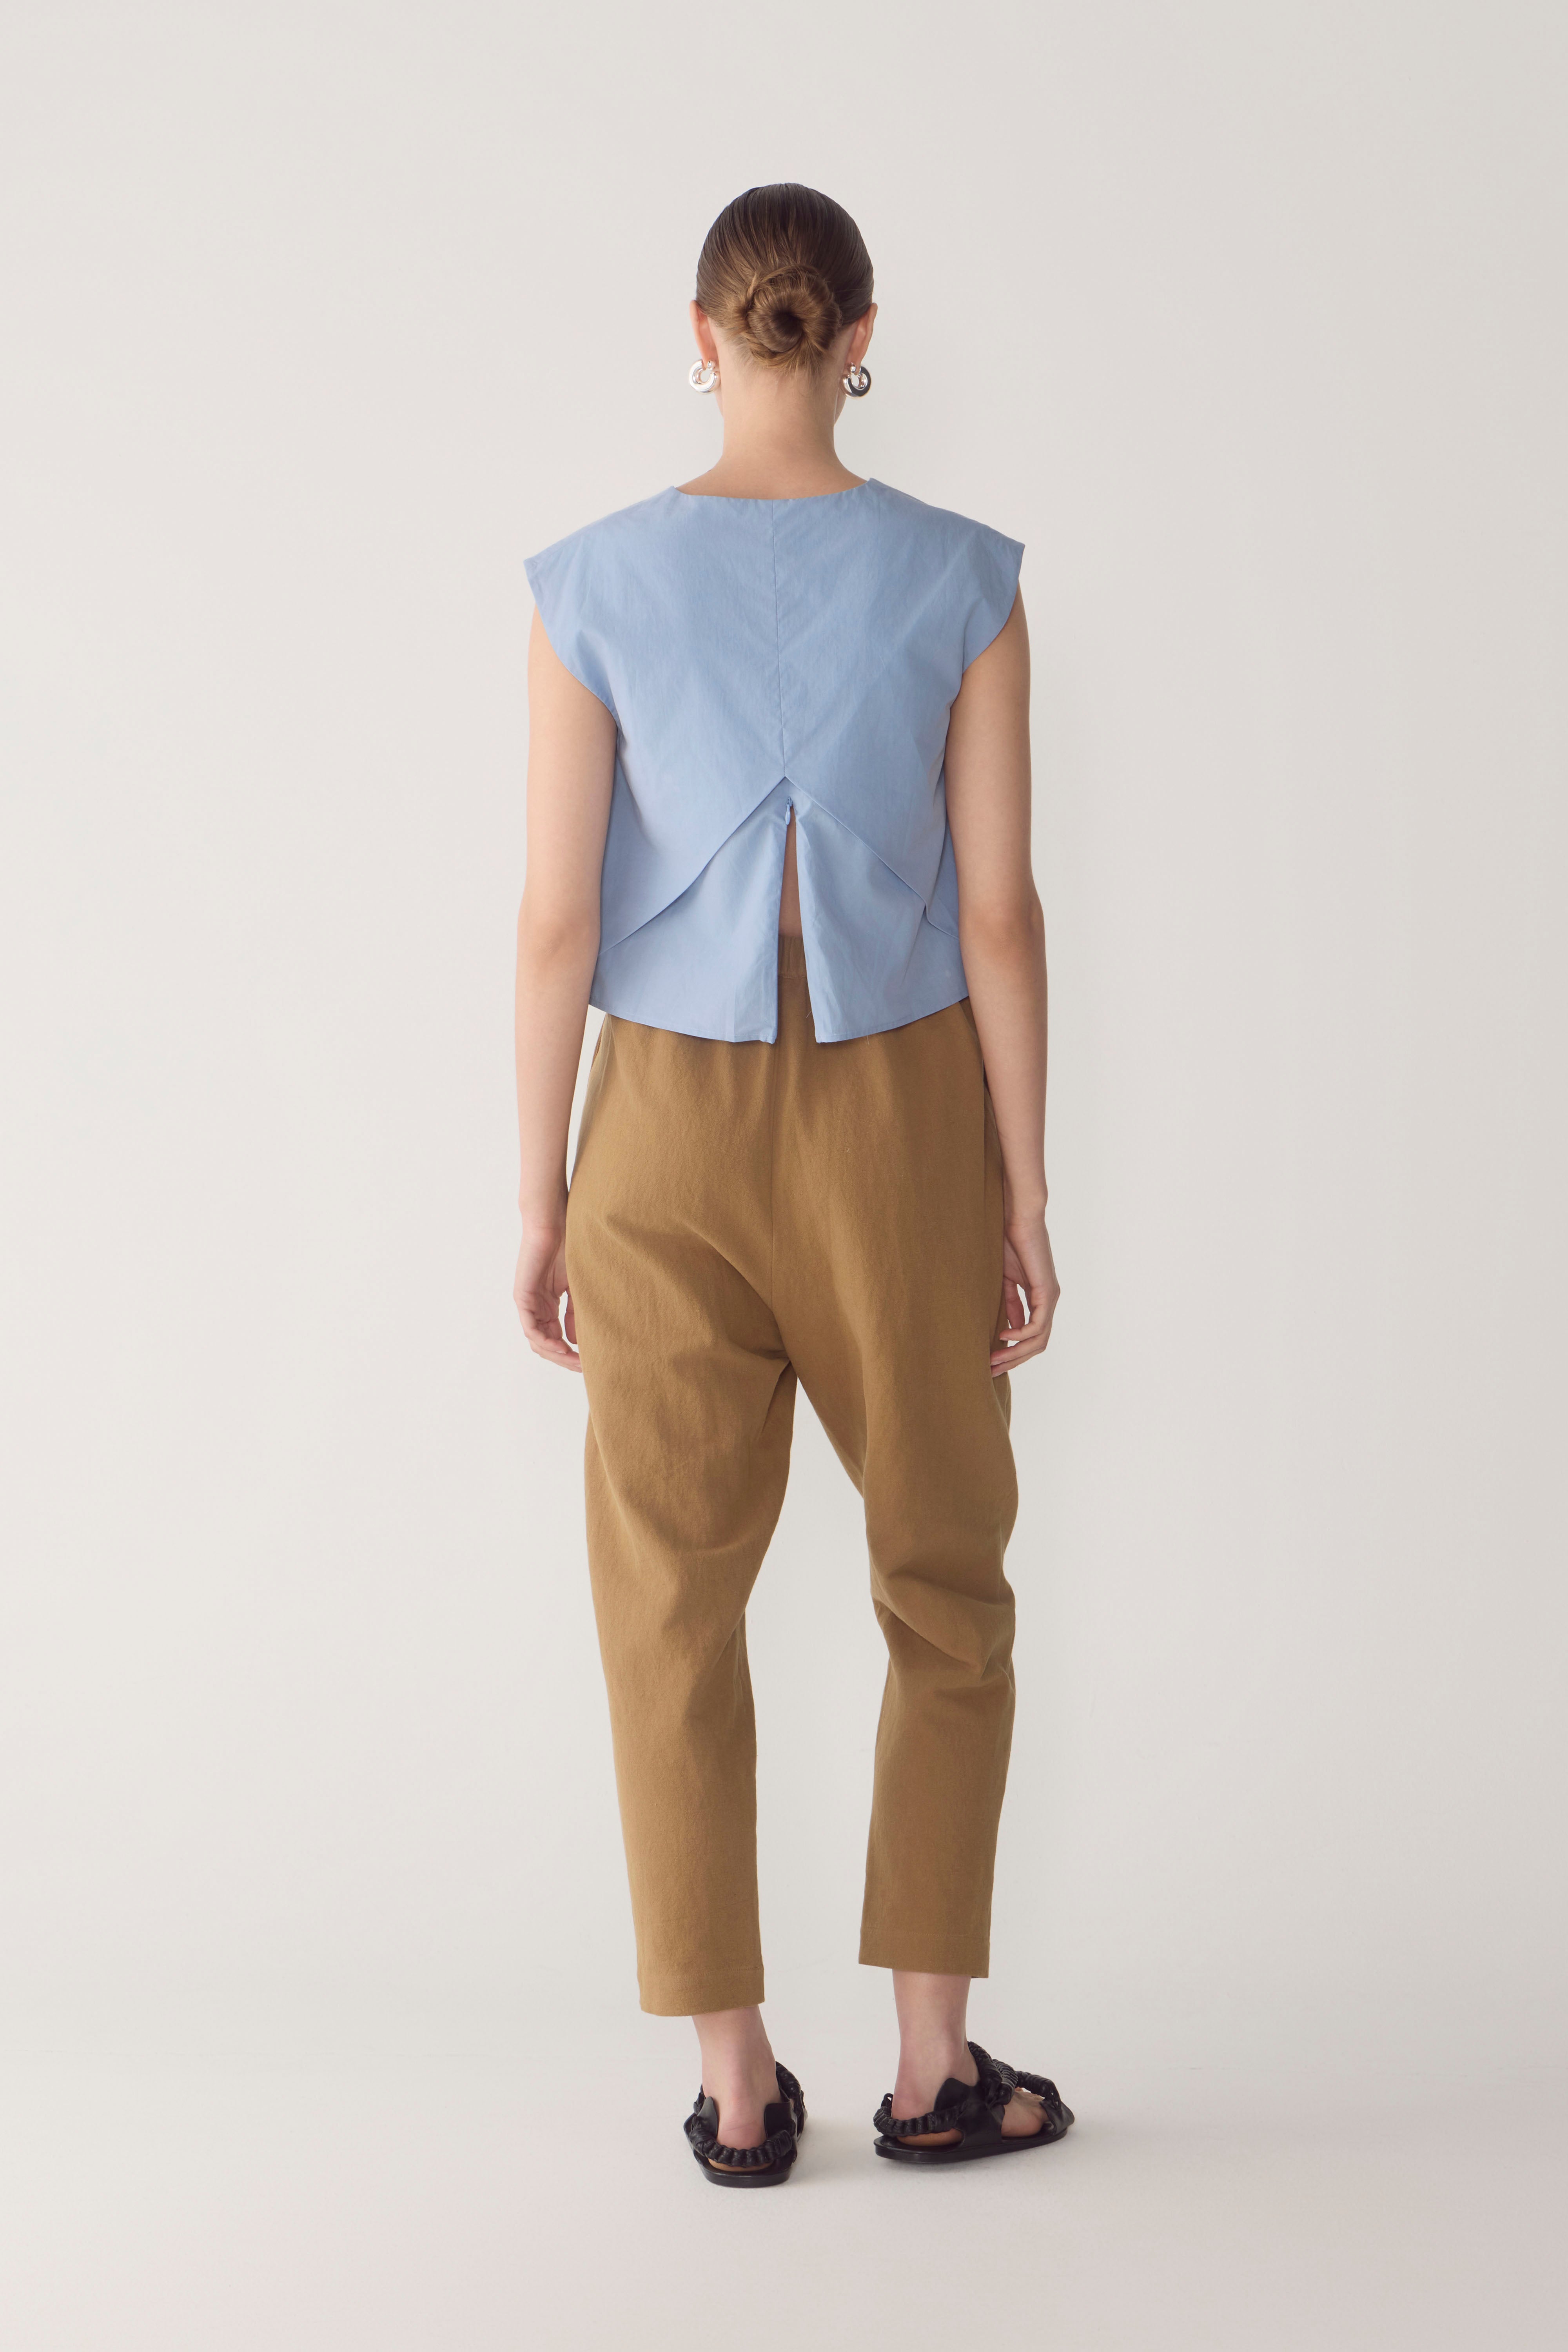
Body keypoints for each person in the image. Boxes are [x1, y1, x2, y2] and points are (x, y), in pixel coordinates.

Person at [514, 183, 1070, 2185]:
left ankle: (738, 2086)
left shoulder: (589, 582)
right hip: (895, 1114)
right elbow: (996, 915)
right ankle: (931, 2068)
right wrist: (1022, 1192)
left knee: (669, 1603)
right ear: (856, 336)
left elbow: (554, 924)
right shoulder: (962, 577)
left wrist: (536, 1199)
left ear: (702, 334)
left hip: (657, 1128)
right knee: (943, 1578)